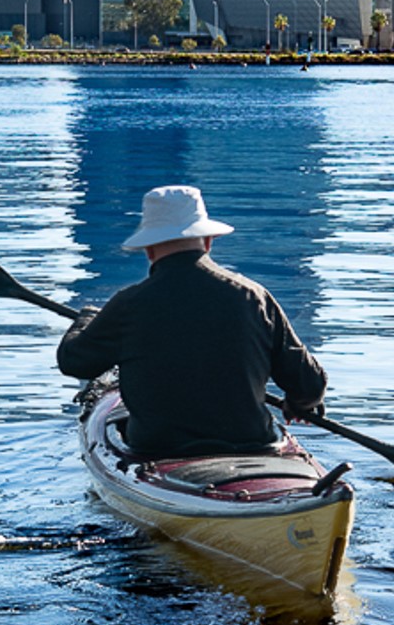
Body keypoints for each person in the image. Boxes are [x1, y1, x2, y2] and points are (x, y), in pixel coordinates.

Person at [57, 185, 328, 460]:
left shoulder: (129, 304)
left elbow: (74, 362)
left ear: (149, 249)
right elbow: (310, 385)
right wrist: (300, 403)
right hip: (252, 443)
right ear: (208, 241)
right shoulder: (254, 297)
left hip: (158, 449)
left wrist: (86, 319)